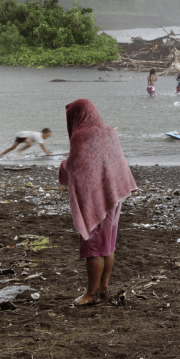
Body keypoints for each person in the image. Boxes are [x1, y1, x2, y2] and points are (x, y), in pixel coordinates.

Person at [59, 99, 137, 306]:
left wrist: (62, 166)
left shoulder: (80, 136)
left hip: (93, 199)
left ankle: (90, 294)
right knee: (107, 245)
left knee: (93, 245)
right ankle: (103, 289)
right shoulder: (110, 131)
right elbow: (112, 162)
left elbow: (76, 167)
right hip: (113, 195)